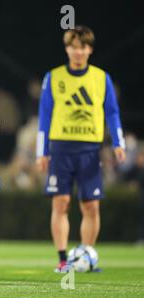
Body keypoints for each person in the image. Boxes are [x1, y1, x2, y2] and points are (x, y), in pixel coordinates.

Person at [36, 26, 126, 273]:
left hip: (89, 149)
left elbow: (112, 112)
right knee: (61, 203)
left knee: (90, 206)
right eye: (74, 46)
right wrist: (41, 151)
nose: (78, 51)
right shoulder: (53, 77)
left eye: (83, 47)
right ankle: (63, 260)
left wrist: (119, 143)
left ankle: (87, 256)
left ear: (90, 50)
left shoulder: (101, 77)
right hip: (61, 149)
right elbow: (44, 115)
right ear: (67, 49)